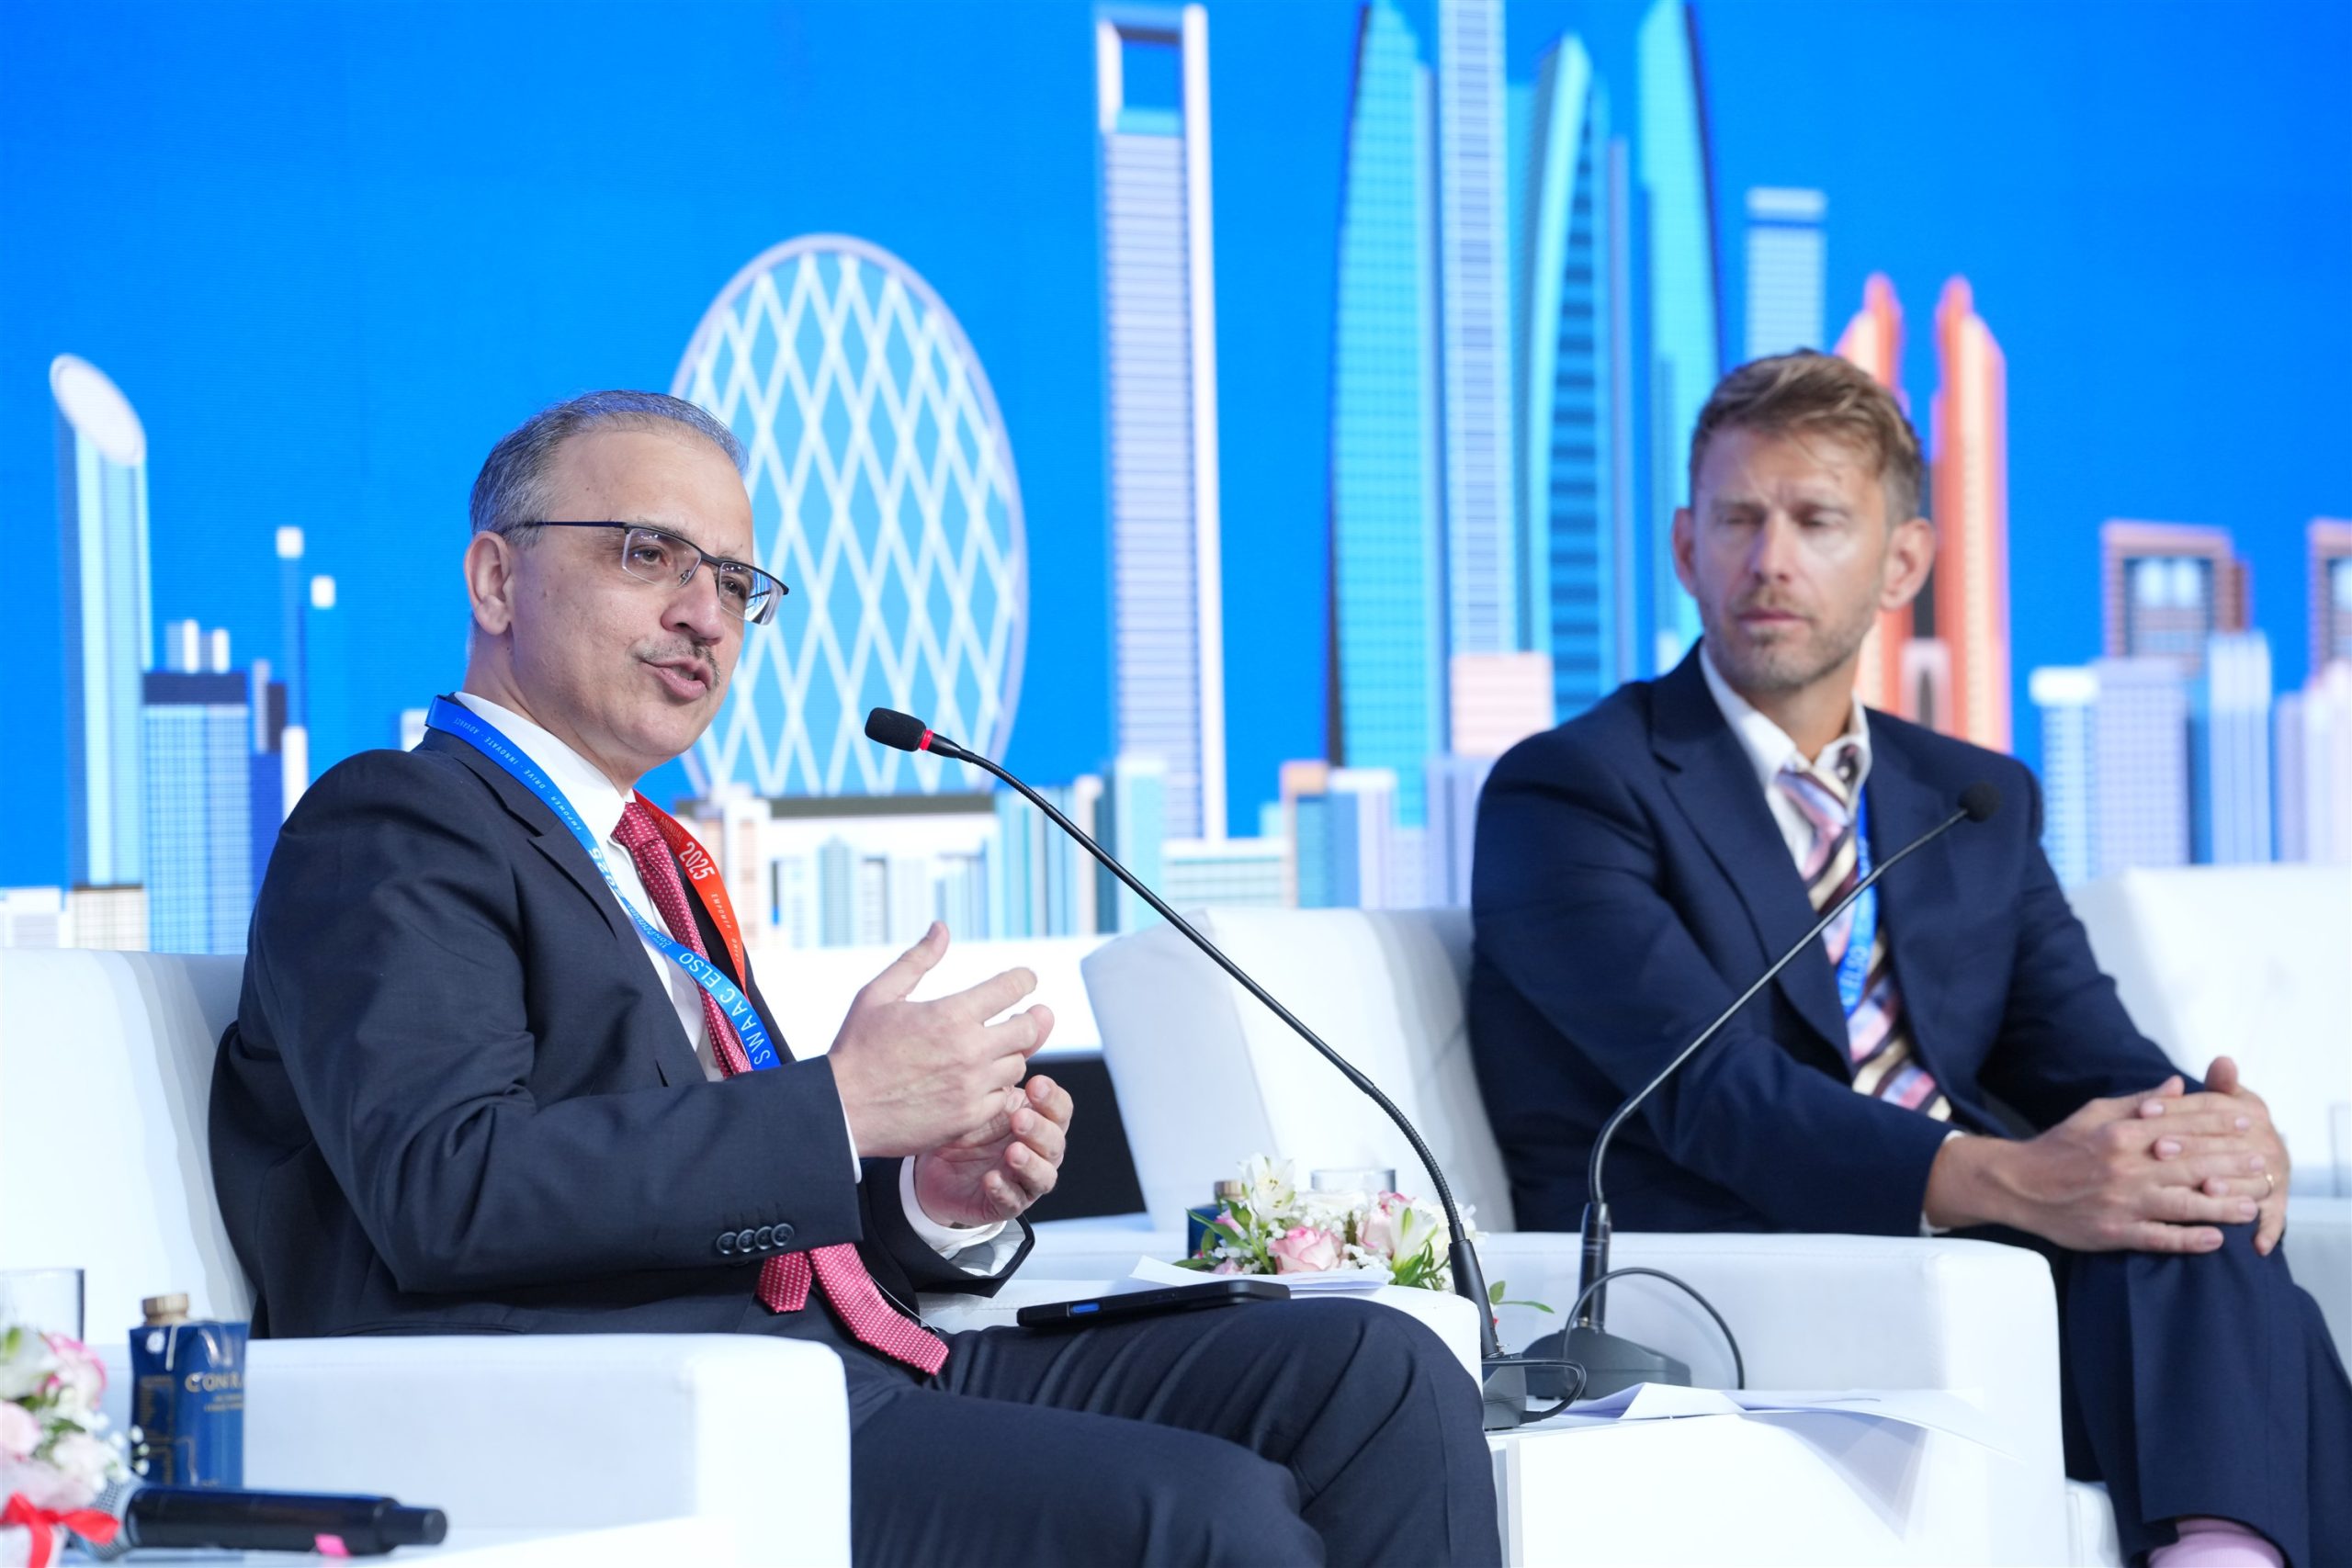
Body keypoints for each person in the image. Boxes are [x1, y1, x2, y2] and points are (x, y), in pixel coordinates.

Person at [211, 390, 1500, 1568]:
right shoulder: (399, 823)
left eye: (735, 580)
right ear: (498, 578)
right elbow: (450, 1190)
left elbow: (718, 1210)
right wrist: (837, 1109)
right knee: (1208, 1518)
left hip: (840, 1371)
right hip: (629, 1424)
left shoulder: (647, 860)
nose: (705, 615)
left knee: (1377, 1370)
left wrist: (926, 1198)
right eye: (649, 555)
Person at [1468, 352, 2348, 1568]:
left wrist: (2212, 1135)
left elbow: (2087, 1052)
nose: (1770, 560)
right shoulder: (1572, 791)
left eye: (1817, 520)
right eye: (1738, 518)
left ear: (1904, 563)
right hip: (1737, 1265)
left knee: (2180, 1206)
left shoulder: (1971, 796)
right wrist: (2015, 1180)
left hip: (1986, 1268)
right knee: (2178, 1247)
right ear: (1683, 546)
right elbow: (1711, 1097)